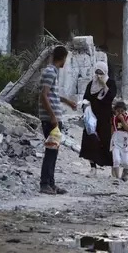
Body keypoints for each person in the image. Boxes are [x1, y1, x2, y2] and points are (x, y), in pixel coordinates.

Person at [39, 46, 76, 195]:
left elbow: (52, 95)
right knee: (50, 151)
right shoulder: (49, 72)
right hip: (50, 119)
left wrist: (67, 101)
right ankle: (44, 184)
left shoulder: (53, 72)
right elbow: (44, 95)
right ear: (63, 58)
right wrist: (53, 116)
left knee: (53, 151)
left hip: (53, 118)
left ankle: (51, 184)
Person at [80, 61, 117, 177]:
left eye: (101, 73)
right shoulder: (91, 84)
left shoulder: (110, 83)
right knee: (90, 141)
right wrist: (85, 106)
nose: (99, 76)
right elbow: (86, 98)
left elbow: (110, 97)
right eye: (97, 73)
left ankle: (113, 169)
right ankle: (93, 168)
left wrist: (104, 85)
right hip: (92, 119)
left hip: (105, 118)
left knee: (106, 141)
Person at [110, 101, 128, 182]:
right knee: (116, 159)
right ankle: (117, 178)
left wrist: (122, 120)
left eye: (122, 111)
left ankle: (125, 171)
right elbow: (112, 130)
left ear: (125, 111)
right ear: (115, 111)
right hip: (115, 140)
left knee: (125, 161)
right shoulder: (113, 119)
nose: (120, 113)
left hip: (124, 141)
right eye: (118, 111)